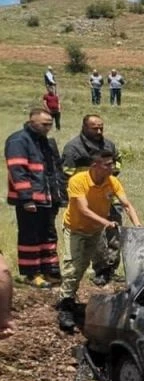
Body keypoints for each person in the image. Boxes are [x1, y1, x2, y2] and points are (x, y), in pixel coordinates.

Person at [56, 150, 141, 331]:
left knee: (83, 265)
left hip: (95, 231)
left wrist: (138, 226)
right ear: (95, 165)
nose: (112, 167)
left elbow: (127, 205)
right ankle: (65, 305)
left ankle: (70, 296)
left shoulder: (112, 181)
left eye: (112, 164)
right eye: (107, 164)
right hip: (75, 230)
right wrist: (106, 223)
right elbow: (84, 210)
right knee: (72, 267)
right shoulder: (78, 181)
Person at [6, 108, 64, 288]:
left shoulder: (45, 142)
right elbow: (18, 171)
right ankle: (31, 274)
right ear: (32, 122)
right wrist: (26, 198)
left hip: (47, 198)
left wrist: (59, 196)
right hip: (30, 199)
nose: (48, 127)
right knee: (30, 236)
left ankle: (49, 271)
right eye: (44, 124)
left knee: (48, 235)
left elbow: (54, 171)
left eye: (50, 124)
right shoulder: (18, 141)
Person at [61, 114, 121, 286]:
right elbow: (66, 174)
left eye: (101, 127)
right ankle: (99, 269)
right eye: (95, 128)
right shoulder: (73, 148)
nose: (99, 131)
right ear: (84, 127)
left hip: (107, 196)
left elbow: (118, 161)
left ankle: (110, 270)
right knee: (95, 236)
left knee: (114, 233)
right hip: (85, 200)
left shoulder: (109, 145)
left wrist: (110, 172)